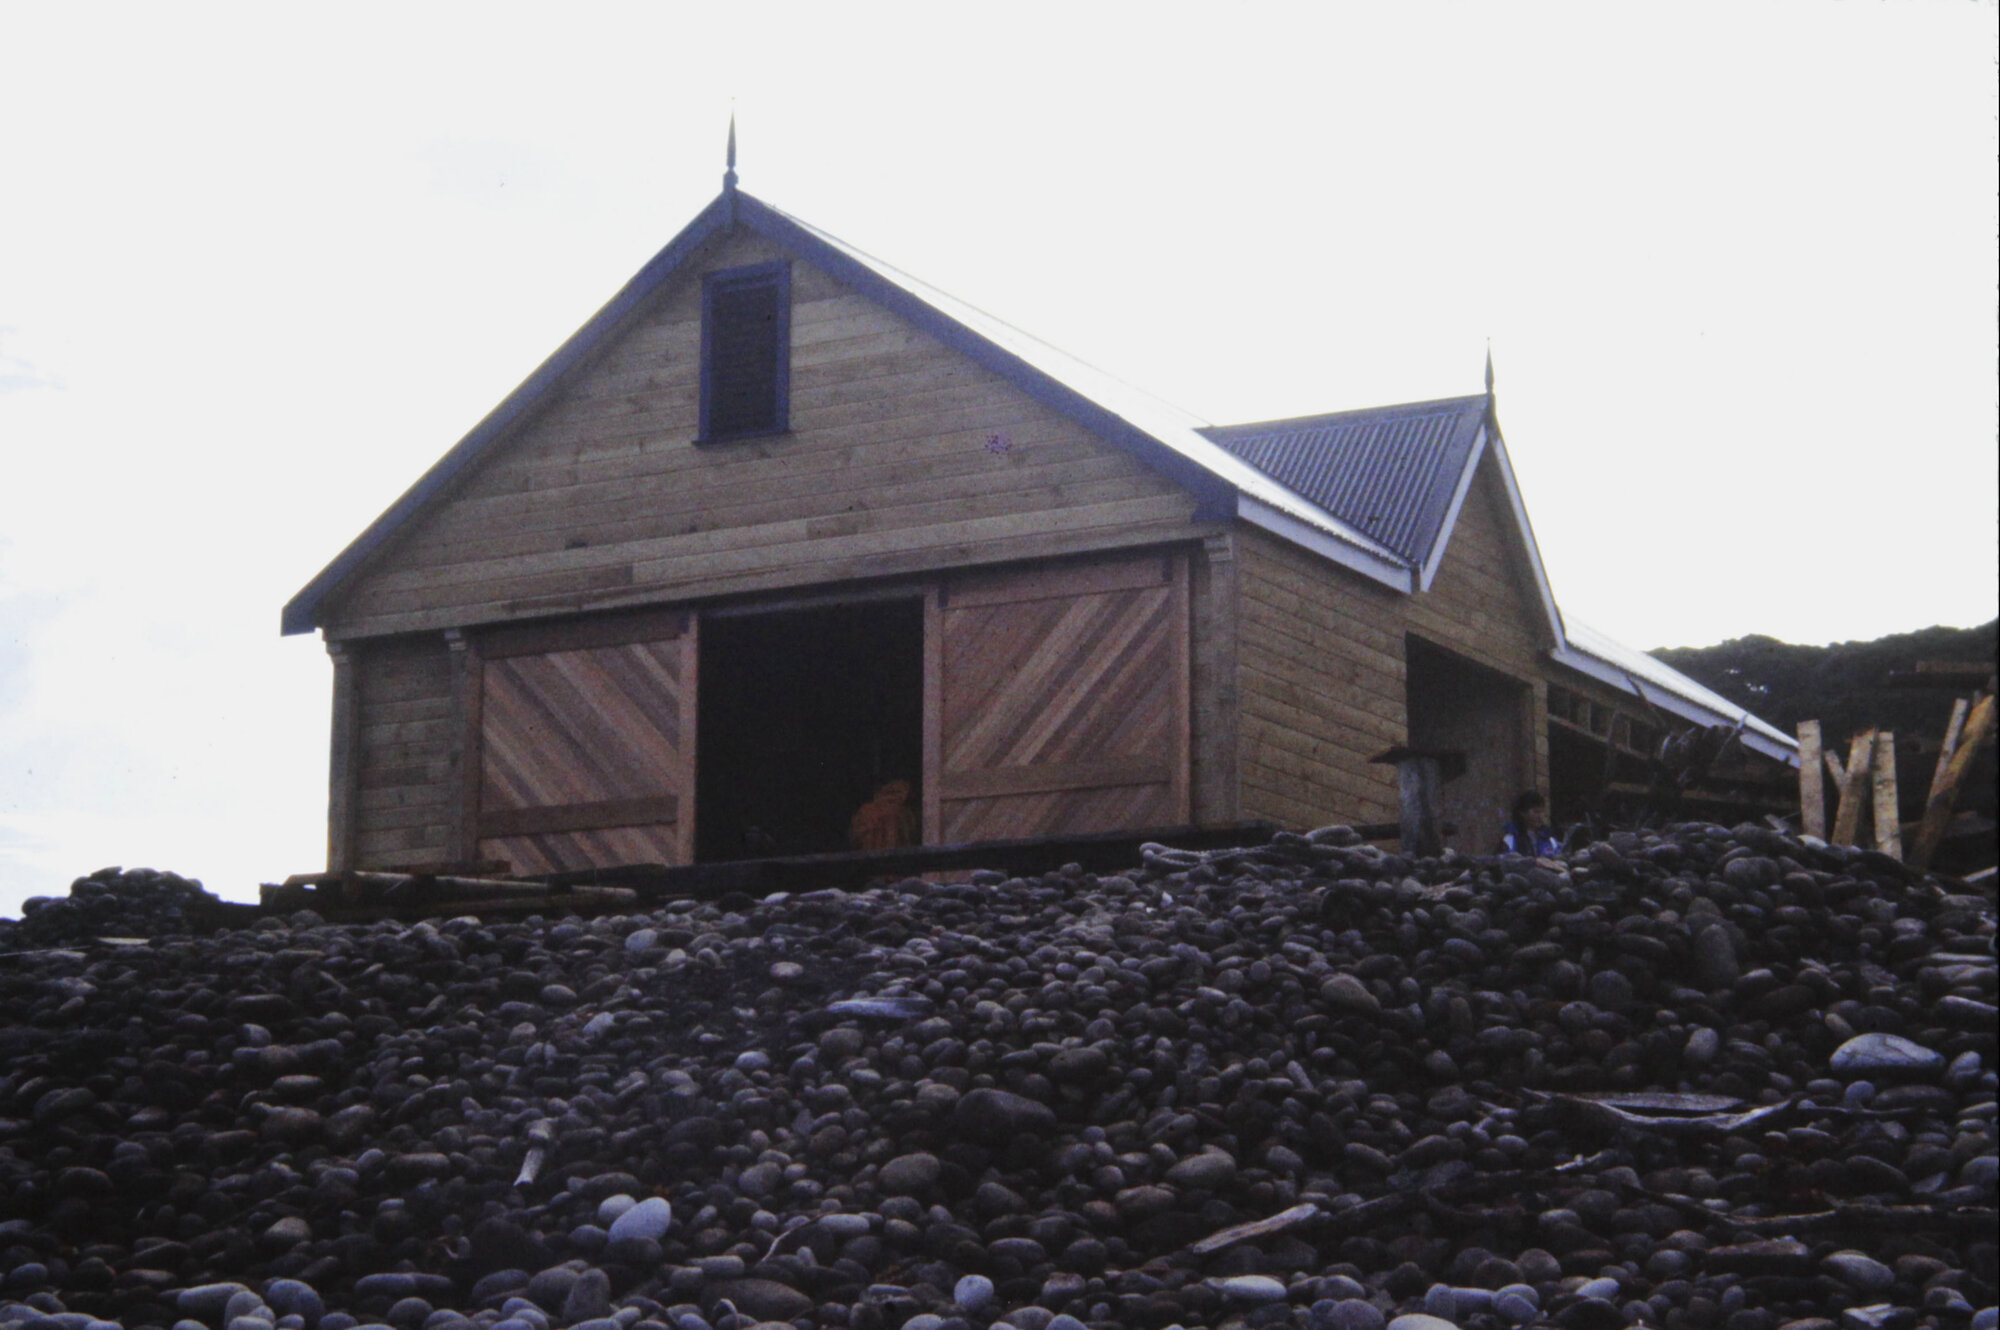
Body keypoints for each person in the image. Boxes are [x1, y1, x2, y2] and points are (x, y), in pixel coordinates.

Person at [1499, 790, 1560, 856]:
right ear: (1523, 813)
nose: (1540, 816)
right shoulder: (1511, 838)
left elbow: (1558, 856)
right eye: (1536, 812)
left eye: (1542, 812)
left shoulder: (1549, 838)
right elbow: (1505, 861)